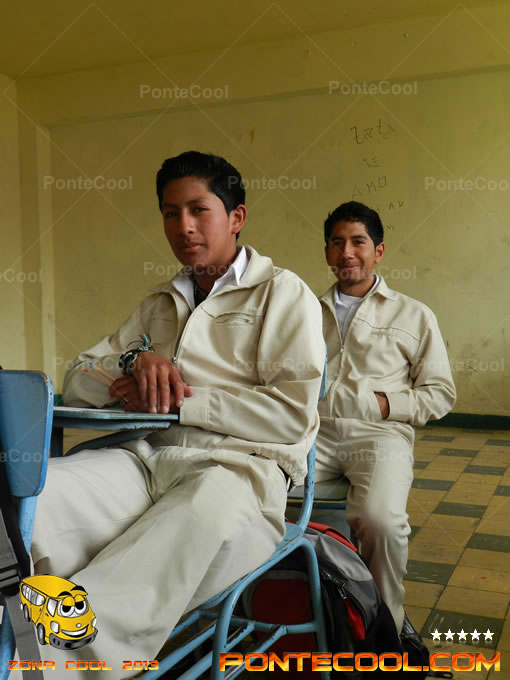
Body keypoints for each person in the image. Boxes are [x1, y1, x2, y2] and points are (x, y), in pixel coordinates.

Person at [28, 151, 324, 678]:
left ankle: (45, 666)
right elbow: (77, 379)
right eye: (170, 212)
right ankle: (14, 626)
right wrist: (132, 362)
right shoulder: (159, 304)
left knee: (186, 527)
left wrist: (180, 399)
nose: (183, 226)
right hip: (146, 462)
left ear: (236, 217)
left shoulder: (283, 294)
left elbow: (290, 415)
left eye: (198, 209)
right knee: (32, 503)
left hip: (240, 473)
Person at [315, 200, 456, 634]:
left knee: (380, 520)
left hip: (381, 436)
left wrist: (382, 405)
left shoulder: (413, 314)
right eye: (337, 242)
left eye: (358, 242)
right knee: (253, 489)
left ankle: (385, 629)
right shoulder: (304, 311)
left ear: (378, 251)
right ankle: (285, 605)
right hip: (313, 432)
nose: (346, 252)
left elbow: (440, 394)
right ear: (327, 251)